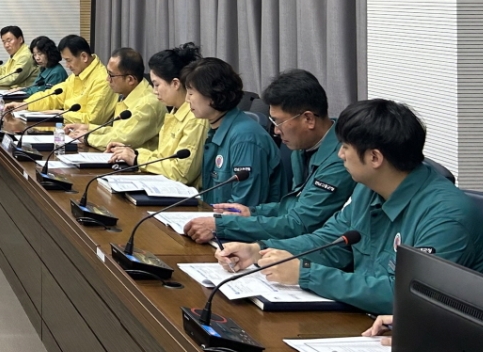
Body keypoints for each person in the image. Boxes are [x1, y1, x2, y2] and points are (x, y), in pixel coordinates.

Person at [217, 99, 483, 314]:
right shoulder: (369, 188)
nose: (339, 154)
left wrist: (306, 274)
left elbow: (407, 295)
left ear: (375, 158)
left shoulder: (446, 216)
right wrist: (260, 250)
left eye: (345, 147)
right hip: (368, 320)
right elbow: (329, 241)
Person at [184, 69, 351, 244]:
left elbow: (299, 223)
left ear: (308, 119)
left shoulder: (341, 159)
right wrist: (252, 212)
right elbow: (293, 206)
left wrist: (222, 225)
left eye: (279, 122)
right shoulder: (302, 145)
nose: (276, 131)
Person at [182, 57, 283, 208]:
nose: (186, 100)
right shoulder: (215, 129)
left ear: (212, 95)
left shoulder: (245, 138)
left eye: (191, 93)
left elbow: (243, 207)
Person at [104, 43, 207, 185]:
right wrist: (133, 153)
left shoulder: (195, 118)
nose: (154, 91)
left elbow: (181, 173)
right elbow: (162, 157)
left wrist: (137, 159)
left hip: (181, 193)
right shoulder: (174, 111)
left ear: (175, 84)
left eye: (157, 85)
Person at [71, 48, 163, 152]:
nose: (107, 79)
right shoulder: (129, 94)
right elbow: (117, 132)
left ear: (130, 80)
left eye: (111, 75)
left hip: (141, 161)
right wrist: (87, 128)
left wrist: (87, 137)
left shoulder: (147, 104)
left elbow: (122, 140)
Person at [10, 35, 116, 125]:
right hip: (68, 128)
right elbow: (54, 95)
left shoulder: (103, 80)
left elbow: (92, 119)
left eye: (69, 60)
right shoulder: (77, 75)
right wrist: (27, 104)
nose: (67, 65)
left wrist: (60, 114)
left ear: (84, 57)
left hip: (85, 136)